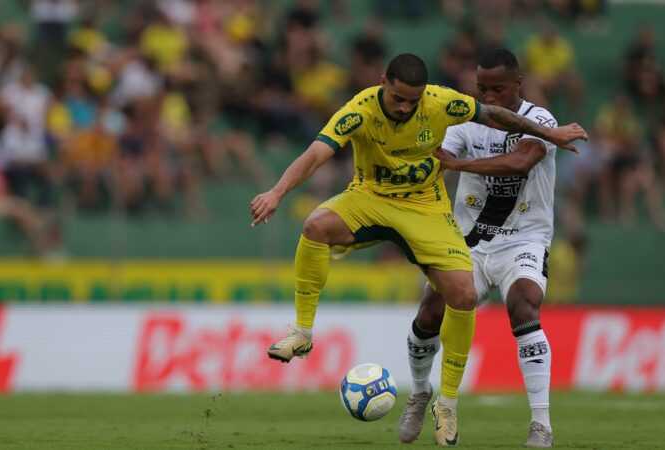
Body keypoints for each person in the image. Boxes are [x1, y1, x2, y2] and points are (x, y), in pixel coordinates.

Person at [249, 53, 587, 446]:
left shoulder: (445, 103)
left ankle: (449, 404)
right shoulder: (358, 110)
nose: (406, 107)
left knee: (465, 296)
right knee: (316, 225)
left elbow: (497, 120)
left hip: (436, 212)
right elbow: (316, 153)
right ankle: (303, 333)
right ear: (382, 84)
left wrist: (551, 134)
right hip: (371, 198)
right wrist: (276, 192)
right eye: (398, 99)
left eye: (414, 100)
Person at [397, 49, 563, 448]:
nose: (488, 97)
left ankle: (541, 425)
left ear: (518, 86)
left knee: (524, 304)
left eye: (498, 89)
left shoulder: (540, 122)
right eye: (482, 89)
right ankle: (420, 394)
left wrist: (458, 167)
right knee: (430, 312)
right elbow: (441, 155)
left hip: (523, 240)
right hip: (467, 243)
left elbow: (520, 163)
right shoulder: (464, 120)